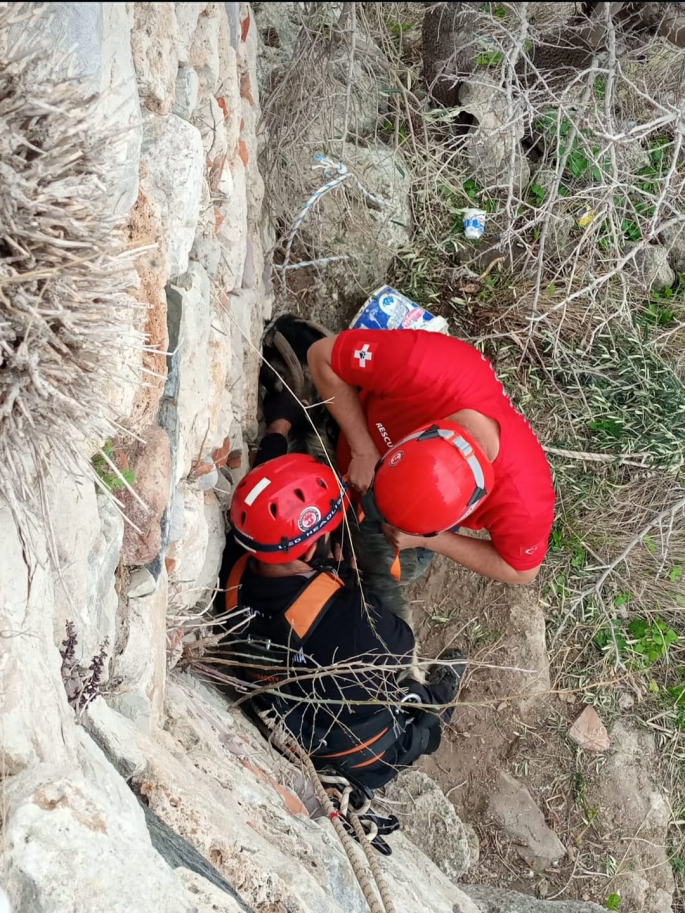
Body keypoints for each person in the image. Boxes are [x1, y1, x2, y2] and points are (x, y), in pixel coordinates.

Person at [215, 392, 464, 791]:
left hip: (290, 707)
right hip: (363, 750)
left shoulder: (238, 559)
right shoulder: (349, 618)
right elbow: (401, 642)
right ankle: (443, 698)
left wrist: (278, 426)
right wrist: (349, 584)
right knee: (420, 714)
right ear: (312, 546)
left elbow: (268, 497)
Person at [307, 328, 555, 587]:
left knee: (389, 569)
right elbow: (320, 355)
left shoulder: (524, 502)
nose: (372, 494)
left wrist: (429, 540)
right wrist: (363, 448)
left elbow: (522, 571)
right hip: (354, 443)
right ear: (418, 432)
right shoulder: (420, 366)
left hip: (411, 531)